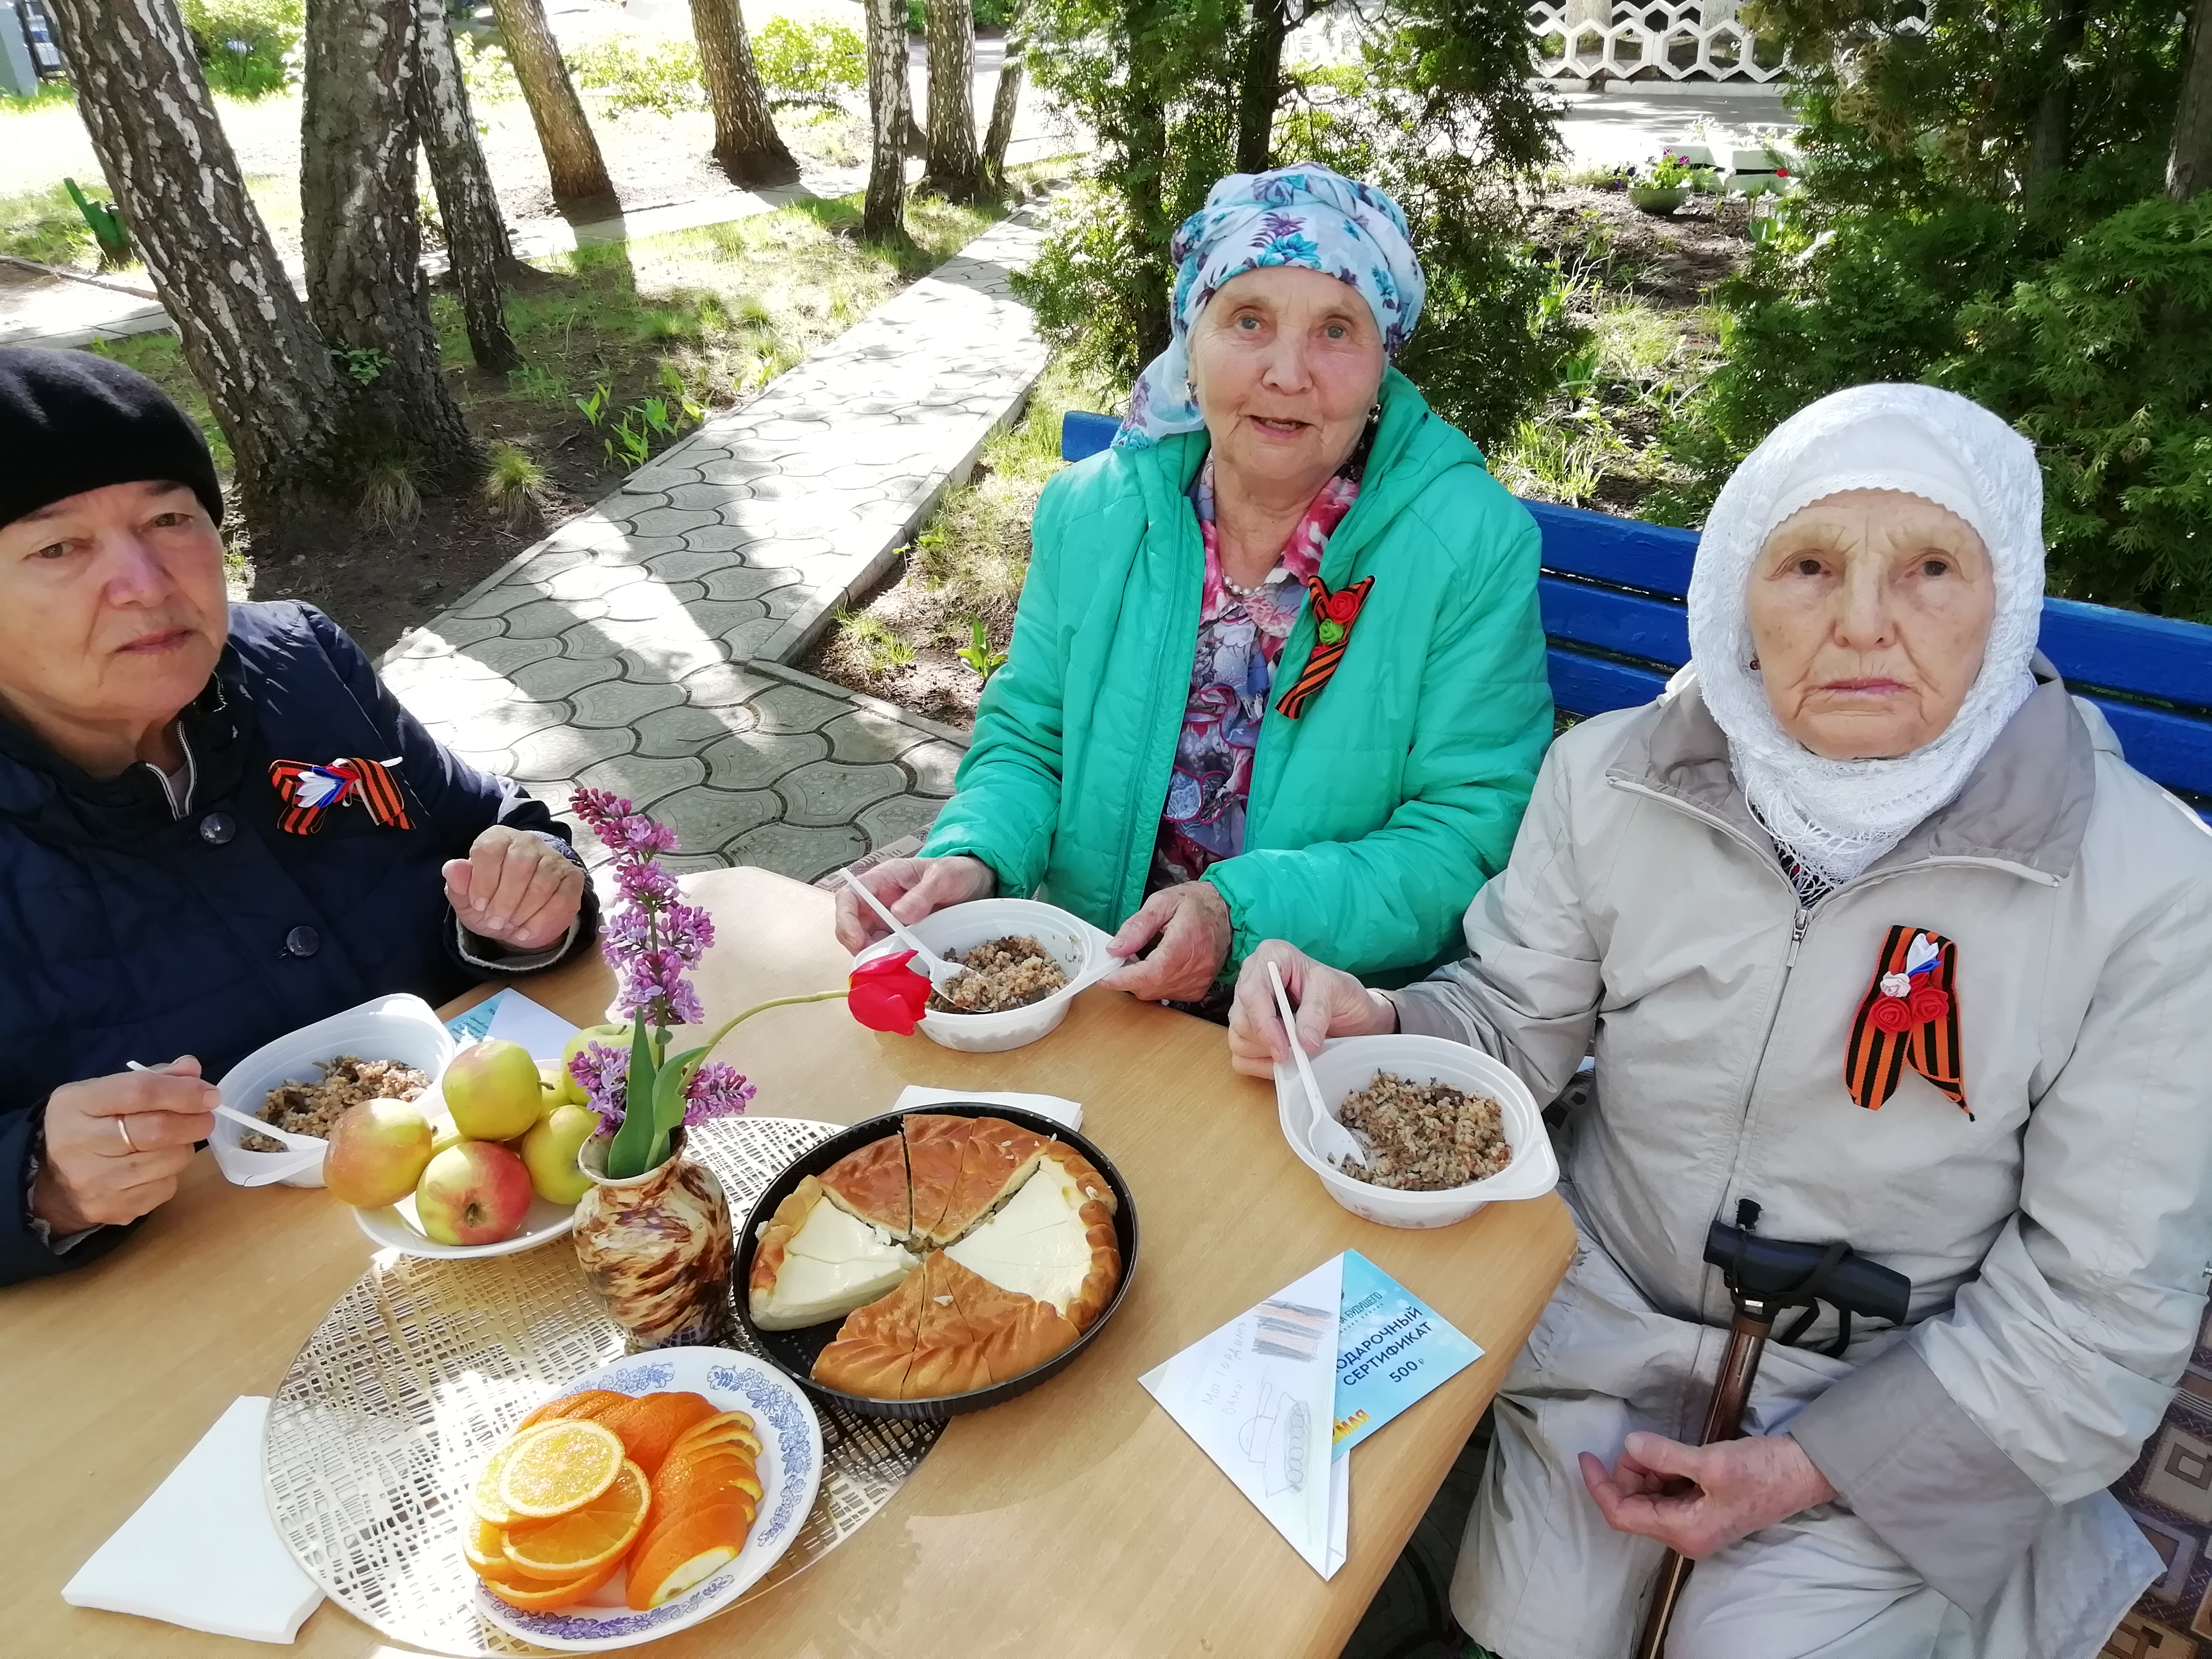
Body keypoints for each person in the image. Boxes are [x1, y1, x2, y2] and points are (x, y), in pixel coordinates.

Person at [1228, 384, 2212, 1657]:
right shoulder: (1614, 778)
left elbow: (2101, 1301)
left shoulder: (2150, 888)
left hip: (1898, 1397)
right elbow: (1512, 1023)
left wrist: (1808, 1466)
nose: (1862, 623)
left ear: (2007, 593)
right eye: (1808, 566)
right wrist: (1370, 1022)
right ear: (1740, 587)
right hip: (1594, 1333)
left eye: (1930, 569)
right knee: (1510, 1626)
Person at [833, 165, 1552, 1006]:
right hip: (1094, 986)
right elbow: (1032, 739)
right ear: (1190, 345)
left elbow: (1468, 832)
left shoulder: (1469, 545)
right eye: (1248, 321)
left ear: (1382, 364)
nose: (1287, 373)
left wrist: (1236, 915)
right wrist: (974, 853)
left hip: (1312, 1018)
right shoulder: (1092, 513)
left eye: (1336, 330)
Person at [0, 348, 597, 1287]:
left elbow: (488, 824)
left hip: (509, 1208)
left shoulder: (300, 665)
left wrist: (520, 910)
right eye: (57, 548)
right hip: (215, 1304)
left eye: (169, 519)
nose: (147, 582)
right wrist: (38, 1183)